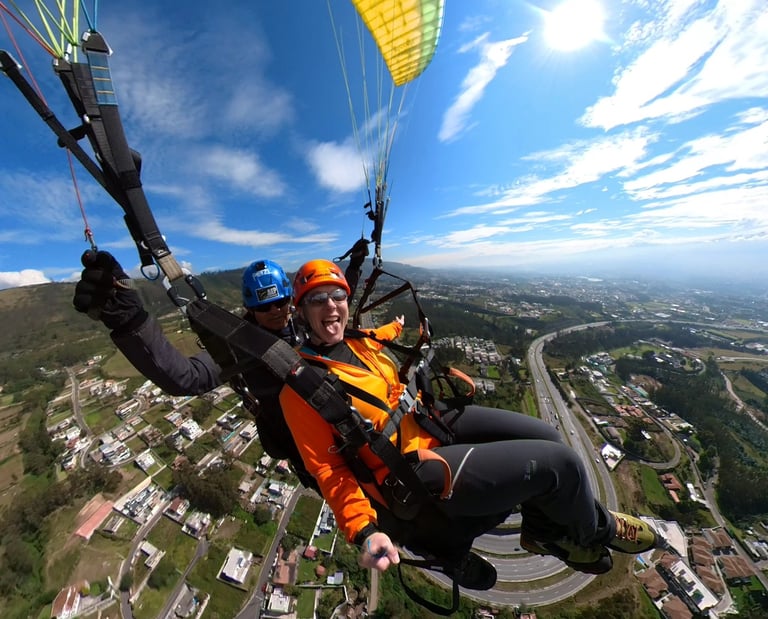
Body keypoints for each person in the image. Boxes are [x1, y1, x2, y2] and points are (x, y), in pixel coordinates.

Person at [278, 259, 660, 584]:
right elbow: (327, 470)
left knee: (549, 435)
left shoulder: (359, 340)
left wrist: (395, 328)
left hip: (428, 420)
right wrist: (364, 530)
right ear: (301, 309)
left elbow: (374, 339)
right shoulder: (302, 387)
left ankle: (543, 533)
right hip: (409, 467)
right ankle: (597, 530)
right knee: (563, 466)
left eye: (337, 295)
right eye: (316, 298)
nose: (330, 305)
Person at [72, 250, 315, 487]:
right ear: (250, 308)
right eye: (264, 307)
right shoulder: (241, 348)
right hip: (305, 451)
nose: (275, 311)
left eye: (280, 302)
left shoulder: (310, 324)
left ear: (290, 299)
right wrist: (127, 320)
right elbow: (186, 378)